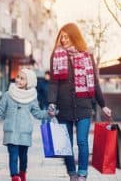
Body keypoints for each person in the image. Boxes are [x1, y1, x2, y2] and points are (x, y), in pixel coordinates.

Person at [48, 23, 112, 181]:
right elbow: (54, 83)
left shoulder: (87, 56)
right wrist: (52, 103)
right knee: (66, 143)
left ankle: (82, 174)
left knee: (82, 141)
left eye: (67, 36)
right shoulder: (56, 56)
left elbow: (95, 83)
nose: (63, 40)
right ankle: (72, 174)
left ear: (74, 36)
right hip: (64, 107)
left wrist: (103, 105)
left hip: (84, 106)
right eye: (61, 37)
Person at [0, 68, 52, 181]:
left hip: (24, 132)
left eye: (22, 78)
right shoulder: (8, 94)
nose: (18, 80)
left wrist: (48, 114)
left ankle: (22, 174)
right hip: (11, 130)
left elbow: (37, 113)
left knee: (23, 157)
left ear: (28, 82)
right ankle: (14, 176)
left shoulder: (32, 97)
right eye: (18, 77)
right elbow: (0, 110)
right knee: (13, 155)